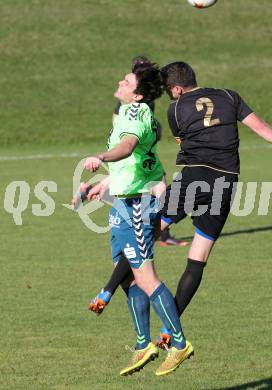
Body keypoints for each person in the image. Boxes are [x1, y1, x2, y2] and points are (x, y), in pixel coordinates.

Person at [89, 61, 272, 351]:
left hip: (194, 177)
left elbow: (183, 143)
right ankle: (169, 330)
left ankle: (107, 292)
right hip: (226, 182)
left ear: (178, 89)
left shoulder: (175, 110)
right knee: (198, 258)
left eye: (172, 93)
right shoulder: (230, 96)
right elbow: (259, 127)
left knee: (147, 235)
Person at [82, 62, 194, 376]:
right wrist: (106, 183)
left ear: (138, 93)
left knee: (146, 278)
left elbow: (128, 146)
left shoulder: (135, 113)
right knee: (129, 277)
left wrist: (101, 157)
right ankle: (144, 343)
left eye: (127, 80)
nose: (121, 81)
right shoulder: (128, 114)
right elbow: (134, 160)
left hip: (137, 206)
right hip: (123, 202)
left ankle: (180, 343)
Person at [113, 56, 188, 248]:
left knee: (160, 187)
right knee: (154, 188)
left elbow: (147, 123)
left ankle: (159, 231)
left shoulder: (144, 98)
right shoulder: (132, 97)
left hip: (143, 151)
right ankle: (156, 232)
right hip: (137, 153)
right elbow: (120, 123)